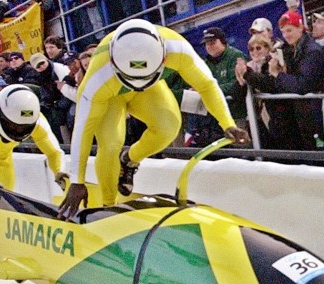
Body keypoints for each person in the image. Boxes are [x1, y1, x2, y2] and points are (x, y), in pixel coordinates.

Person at [58, 19, 248, 219]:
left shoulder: (178, 49)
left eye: (142, 79)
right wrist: (77, 181)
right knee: (111, 144)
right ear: (113, 63)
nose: (137, 85)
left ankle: (129, 160)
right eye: (133, 80)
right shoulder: (97, 78)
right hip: (110, 94)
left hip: (142, 87)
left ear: (163, 59)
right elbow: (83, 128)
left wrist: (227, 123)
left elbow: (207, 85)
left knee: (169, 127)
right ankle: (108, 205)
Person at [236, 10, 324, 151]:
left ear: (300, 27)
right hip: (295, 117)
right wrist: (243, 77)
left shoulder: (309, 51)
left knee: (315, 158)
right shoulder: (291, 49)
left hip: (311, 115)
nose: (286, 35)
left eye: (289, 30)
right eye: (283, 31)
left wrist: (274, 74)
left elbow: (301, 85)